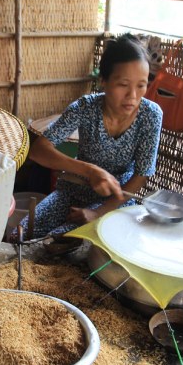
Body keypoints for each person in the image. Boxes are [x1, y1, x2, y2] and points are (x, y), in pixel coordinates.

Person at [16, 33, 163, 242]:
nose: (132, 95)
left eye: (141, 85)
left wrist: (99, 212)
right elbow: (39, 151)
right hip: (74, 189)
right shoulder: (86, 108)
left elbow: (141, 175)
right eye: (123, 84)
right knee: (19, 236)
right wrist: (90, 170)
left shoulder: (151, 115)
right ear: (104, 81)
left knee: (60, 241)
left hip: (117, 199)